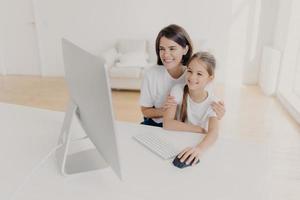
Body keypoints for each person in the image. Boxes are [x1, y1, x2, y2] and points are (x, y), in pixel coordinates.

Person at [139, 24, 225, 127]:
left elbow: (206, 107)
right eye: (162, 49)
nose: (166, 54)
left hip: (186, 126)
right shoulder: (151, 74)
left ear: (185, 49)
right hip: (157, 124)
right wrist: (167, 111)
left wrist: (218, 114)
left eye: (172, 48)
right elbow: (145, 111)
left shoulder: (195, 76)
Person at [163, 51, 219, 166]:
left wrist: (199, 149)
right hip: (177, 139)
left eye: (199, 74)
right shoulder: (177, 90)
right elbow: (167, 123)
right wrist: (198, 129)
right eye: (190, 71)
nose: (192, 77)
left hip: (198, 142)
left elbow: (214, 132)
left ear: (210, 78)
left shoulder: (214, 102)